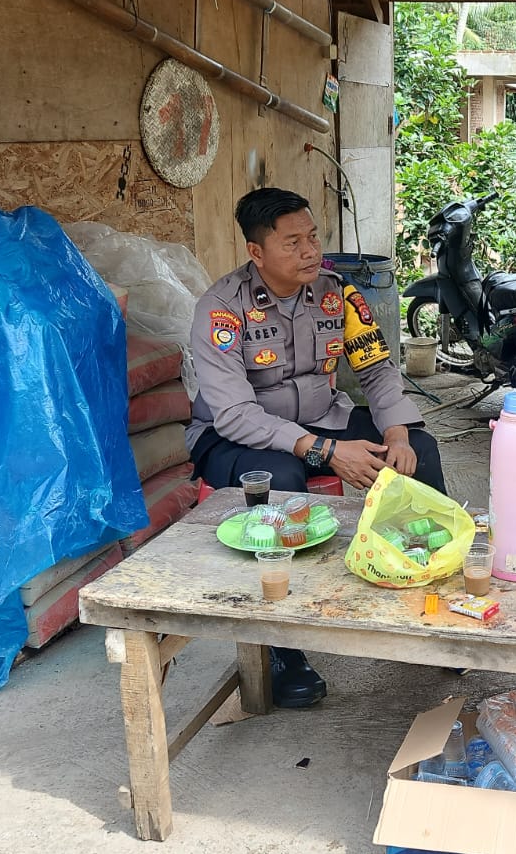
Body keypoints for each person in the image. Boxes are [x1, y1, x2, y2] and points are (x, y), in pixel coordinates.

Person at [187, 187, 445, 708]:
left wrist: (395, 431)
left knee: (420, 448)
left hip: (324, 420)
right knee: (281, 485)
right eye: (292, 243)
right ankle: (284, 648)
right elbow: (235, 414)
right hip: (234, 437)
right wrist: (325, 452)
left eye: (312, 237)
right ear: (256, 252)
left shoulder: (337, 293)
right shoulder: (221, 310)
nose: (310, 251)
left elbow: (377, 369)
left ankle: (426, 601)